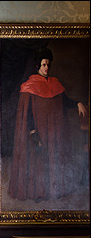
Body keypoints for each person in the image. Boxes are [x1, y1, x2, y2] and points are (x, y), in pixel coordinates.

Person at [8, 47, 88, 203]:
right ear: (38, 65)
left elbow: (64, 101)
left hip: (54, 131)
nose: (46, 68)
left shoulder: (55, 83)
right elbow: (28, 113)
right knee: (39, 161)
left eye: (48, 65)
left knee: (55, 159)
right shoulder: (29, 86)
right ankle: (38, 192)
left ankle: (54, 189)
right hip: (38, 131)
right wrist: (32, 131)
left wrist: (77, 103)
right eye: (44, 64)